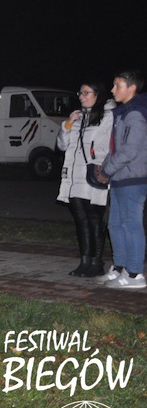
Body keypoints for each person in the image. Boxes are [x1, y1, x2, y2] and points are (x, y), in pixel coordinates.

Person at [95, 70, 147, 289]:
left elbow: (129, 150)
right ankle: (120, 267)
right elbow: (115, 148)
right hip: (120, 177)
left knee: (131, 224)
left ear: (131, 88)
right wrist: (104, 168)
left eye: (118, 86)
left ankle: (135, 274)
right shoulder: (123, 113)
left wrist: (107, 171)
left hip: (132, 178)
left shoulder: (135, 114)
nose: (112, 90)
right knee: (115, 224)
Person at [56, 82, 113, 277]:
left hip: (94, 174)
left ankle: (96, 262)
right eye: (80, 92)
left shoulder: (108, 116)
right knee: (80, 220)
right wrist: (68, 124)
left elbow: (107, 146)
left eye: (86, 93)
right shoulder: (78, 117)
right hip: (74, 176)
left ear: (98, 95)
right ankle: (84, 261)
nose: (81, 96)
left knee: (95, 219)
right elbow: (62, 145)